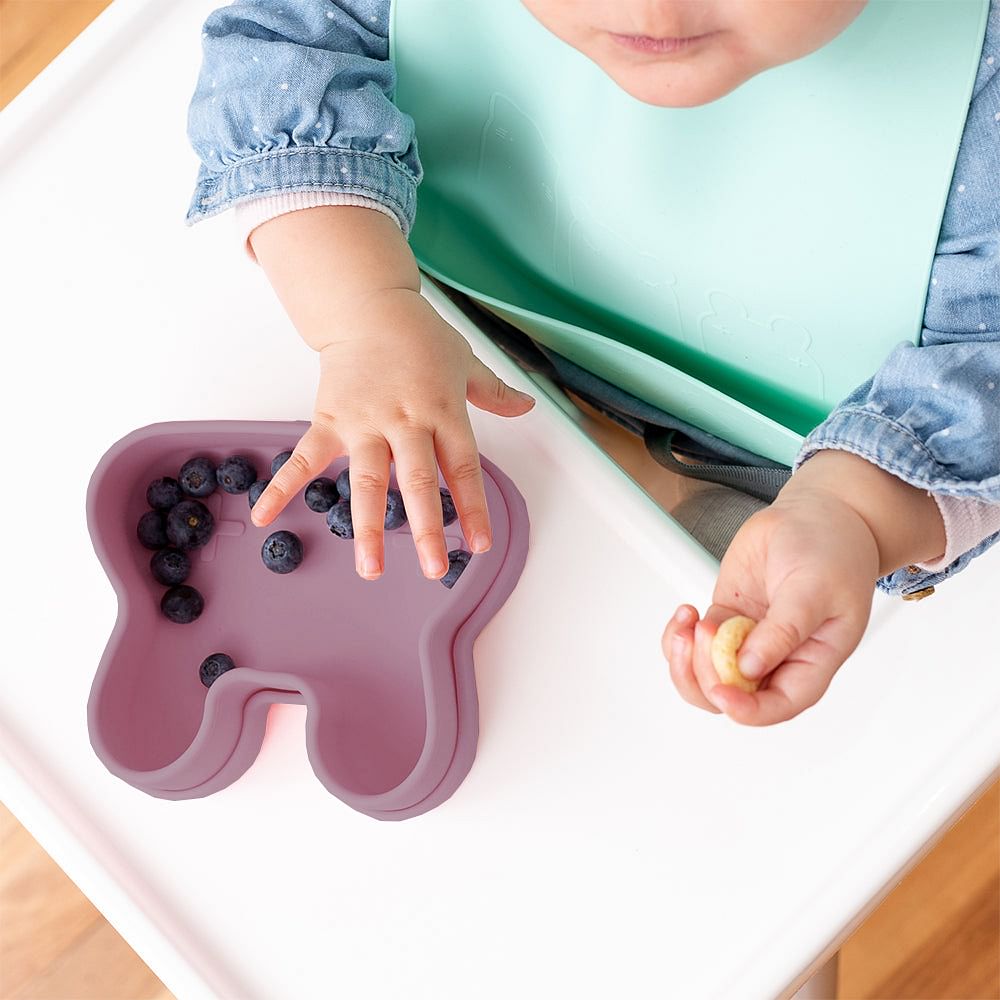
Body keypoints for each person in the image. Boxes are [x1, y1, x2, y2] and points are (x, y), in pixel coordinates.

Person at [186, 0, 1000, 725]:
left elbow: (985, 363)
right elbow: (281, 48)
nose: (654, 9)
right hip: (419, 310)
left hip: (786, 480)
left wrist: (853, 518)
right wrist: (363, 314)